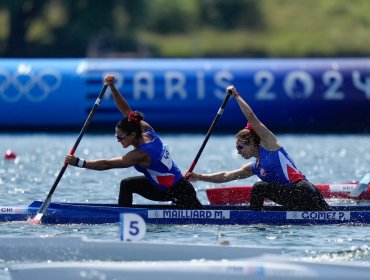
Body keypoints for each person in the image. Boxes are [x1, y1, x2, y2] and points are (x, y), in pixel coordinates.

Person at [65, 75, 202, 209]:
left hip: (178, 192)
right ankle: (124, 213)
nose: (118, 141)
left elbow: (108, 164)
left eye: (120, 137)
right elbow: (126, 110)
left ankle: (122, 216)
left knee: (127, 185)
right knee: (127, 184)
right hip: (169, 187)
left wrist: (79, 162)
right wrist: (112, 86)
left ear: (132, 135)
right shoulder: (146, 129)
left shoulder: (140, 154)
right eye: (116, 136)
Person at [186, 85, 330, 211]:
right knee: (261, 187)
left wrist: (236, 95)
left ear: (252, 143)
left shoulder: (270, 145)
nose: (238, 151)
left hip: (304, 191)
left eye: (240, 147)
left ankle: (254, 219)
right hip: (295, 198)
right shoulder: (254, 167)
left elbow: (251, 116)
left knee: (259, 187)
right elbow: (226, 176)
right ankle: (257, 216)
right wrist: (198, 176)